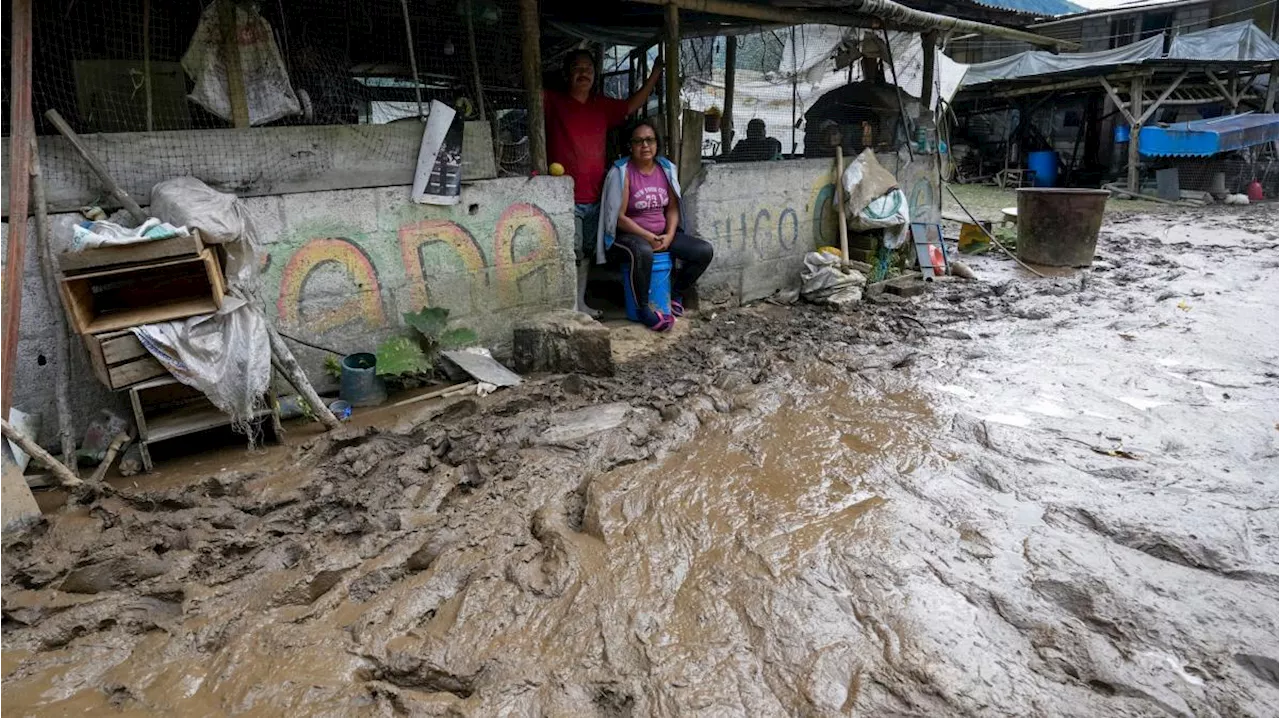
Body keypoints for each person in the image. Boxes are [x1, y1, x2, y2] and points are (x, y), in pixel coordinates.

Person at [545, 49, 663, 318]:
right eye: (577, 67)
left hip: (596, 196)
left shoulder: (602, 107)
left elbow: (632, 105)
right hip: (564, 196)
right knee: (569, 254)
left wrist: (655, 74)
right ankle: (567, 307)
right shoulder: (553, 101)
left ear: (595, 74)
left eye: (588, 68)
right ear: (567, 74)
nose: (583, 72)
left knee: (586, 253)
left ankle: (579, 303)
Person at [597, 119, 715, 331]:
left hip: (661, 234)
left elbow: (671, 208)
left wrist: (669, 235)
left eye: (649, 140)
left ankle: (676, 292)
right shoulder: (622, 172)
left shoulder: (665, 169)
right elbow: (619, 217)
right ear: (630, 145)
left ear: (657, 143)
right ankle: (643, 310)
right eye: (639, 141)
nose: (645, 146)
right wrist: (648, 236)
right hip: (628, 238)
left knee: (703, 251)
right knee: (643, 251)